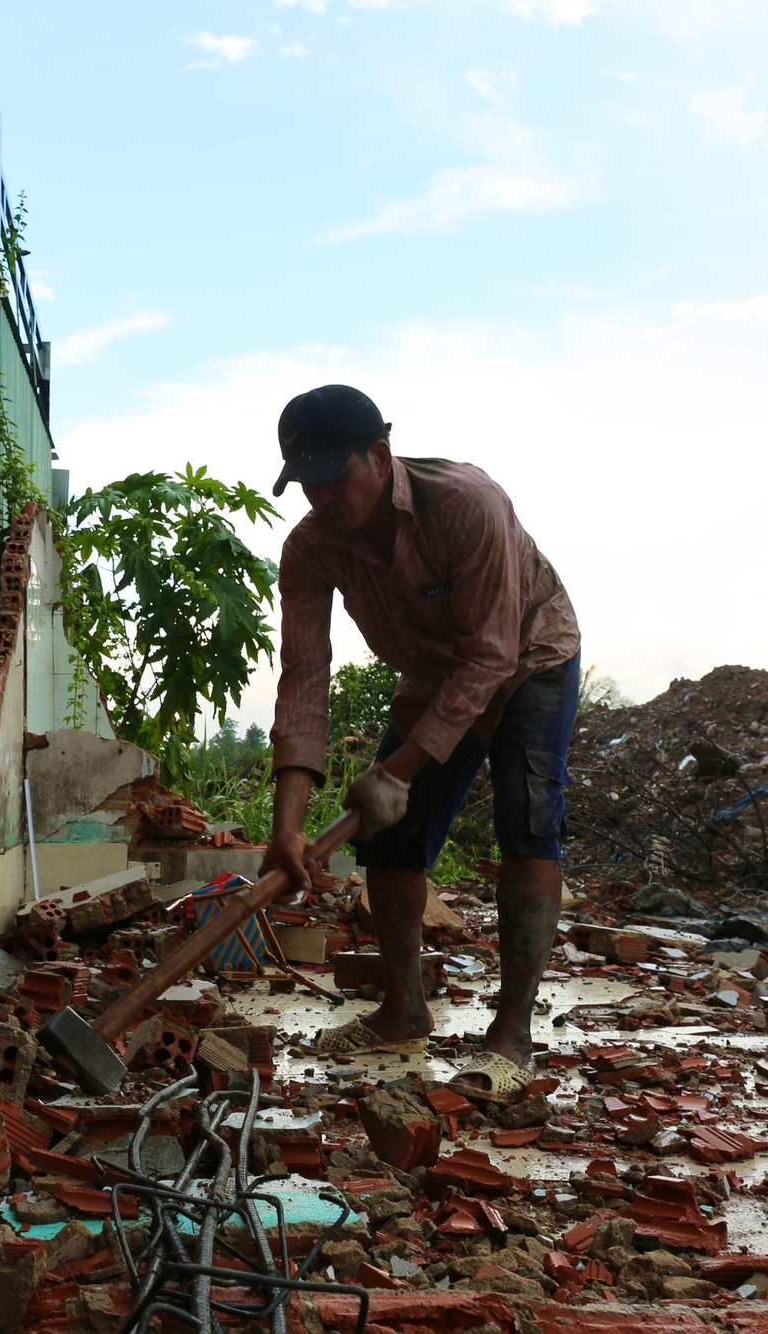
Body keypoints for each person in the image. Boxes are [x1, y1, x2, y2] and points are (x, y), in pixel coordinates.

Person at [258, 385, 581, 1103]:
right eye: (305, 482)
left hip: (529, 655)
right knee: (391, 838)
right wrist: (288, 826)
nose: (321, 497)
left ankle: (511, 1032)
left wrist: (397, 769)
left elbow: (491, 657)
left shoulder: (468, 503)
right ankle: (402, 1010)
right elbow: (304, 679)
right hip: (435, 673)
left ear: (380, 455)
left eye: (333, 477)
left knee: (527, 823)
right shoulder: (310, 550)